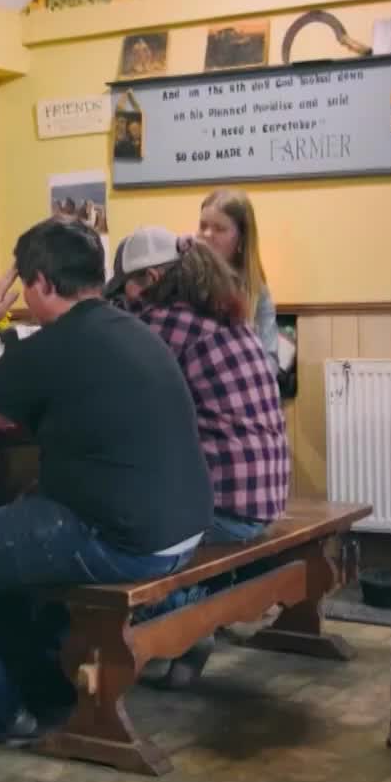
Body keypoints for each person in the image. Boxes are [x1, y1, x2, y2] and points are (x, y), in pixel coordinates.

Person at [0, 219, 214, 745]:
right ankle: (39, 677)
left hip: (127, 541)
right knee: (19, 514)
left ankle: (1, 715)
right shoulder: (132, 327)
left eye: (24, 285)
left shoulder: (50, 347)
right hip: (185, 527)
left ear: (42, 283)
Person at [109, 229, 293, 688]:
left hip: (226, 508)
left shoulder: (163, 324)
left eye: (125, 288)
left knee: (106, 530)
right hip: (265, 497)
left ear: (150, 278)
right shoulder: (222, 316)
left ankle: (182, 617)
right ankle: (187, 622)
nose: (123, 300)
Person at [197, 188, 280, 372]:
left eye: (219, 229)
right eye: (203, 226)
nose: (207, 235)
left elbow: (270, 358)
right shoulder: (186, 281)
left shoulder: (257, 291)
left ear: (241, 239)